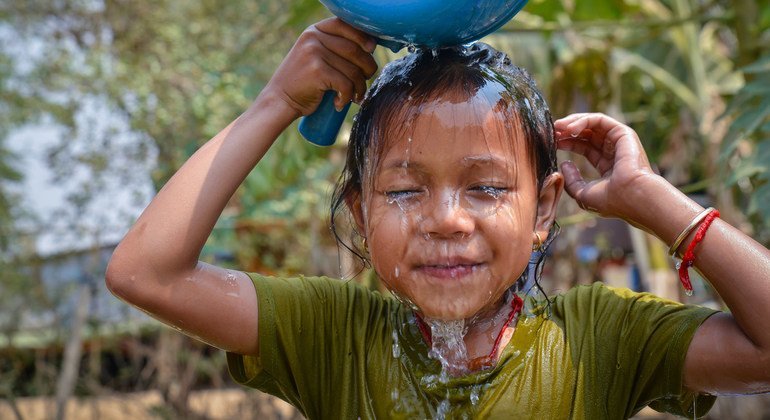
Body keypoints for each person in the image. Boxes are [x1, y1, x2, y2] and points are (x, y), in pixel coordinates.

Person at [106, 18, 770, 419]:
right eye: (402, 193)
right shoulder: (333, 335)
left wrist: (656, 200)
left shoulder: (602, 339)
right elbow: (146, 273)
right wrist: (275, 102)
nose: (446, 220)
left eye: (485, 188)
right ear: (361, 216)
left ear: (542, 209)